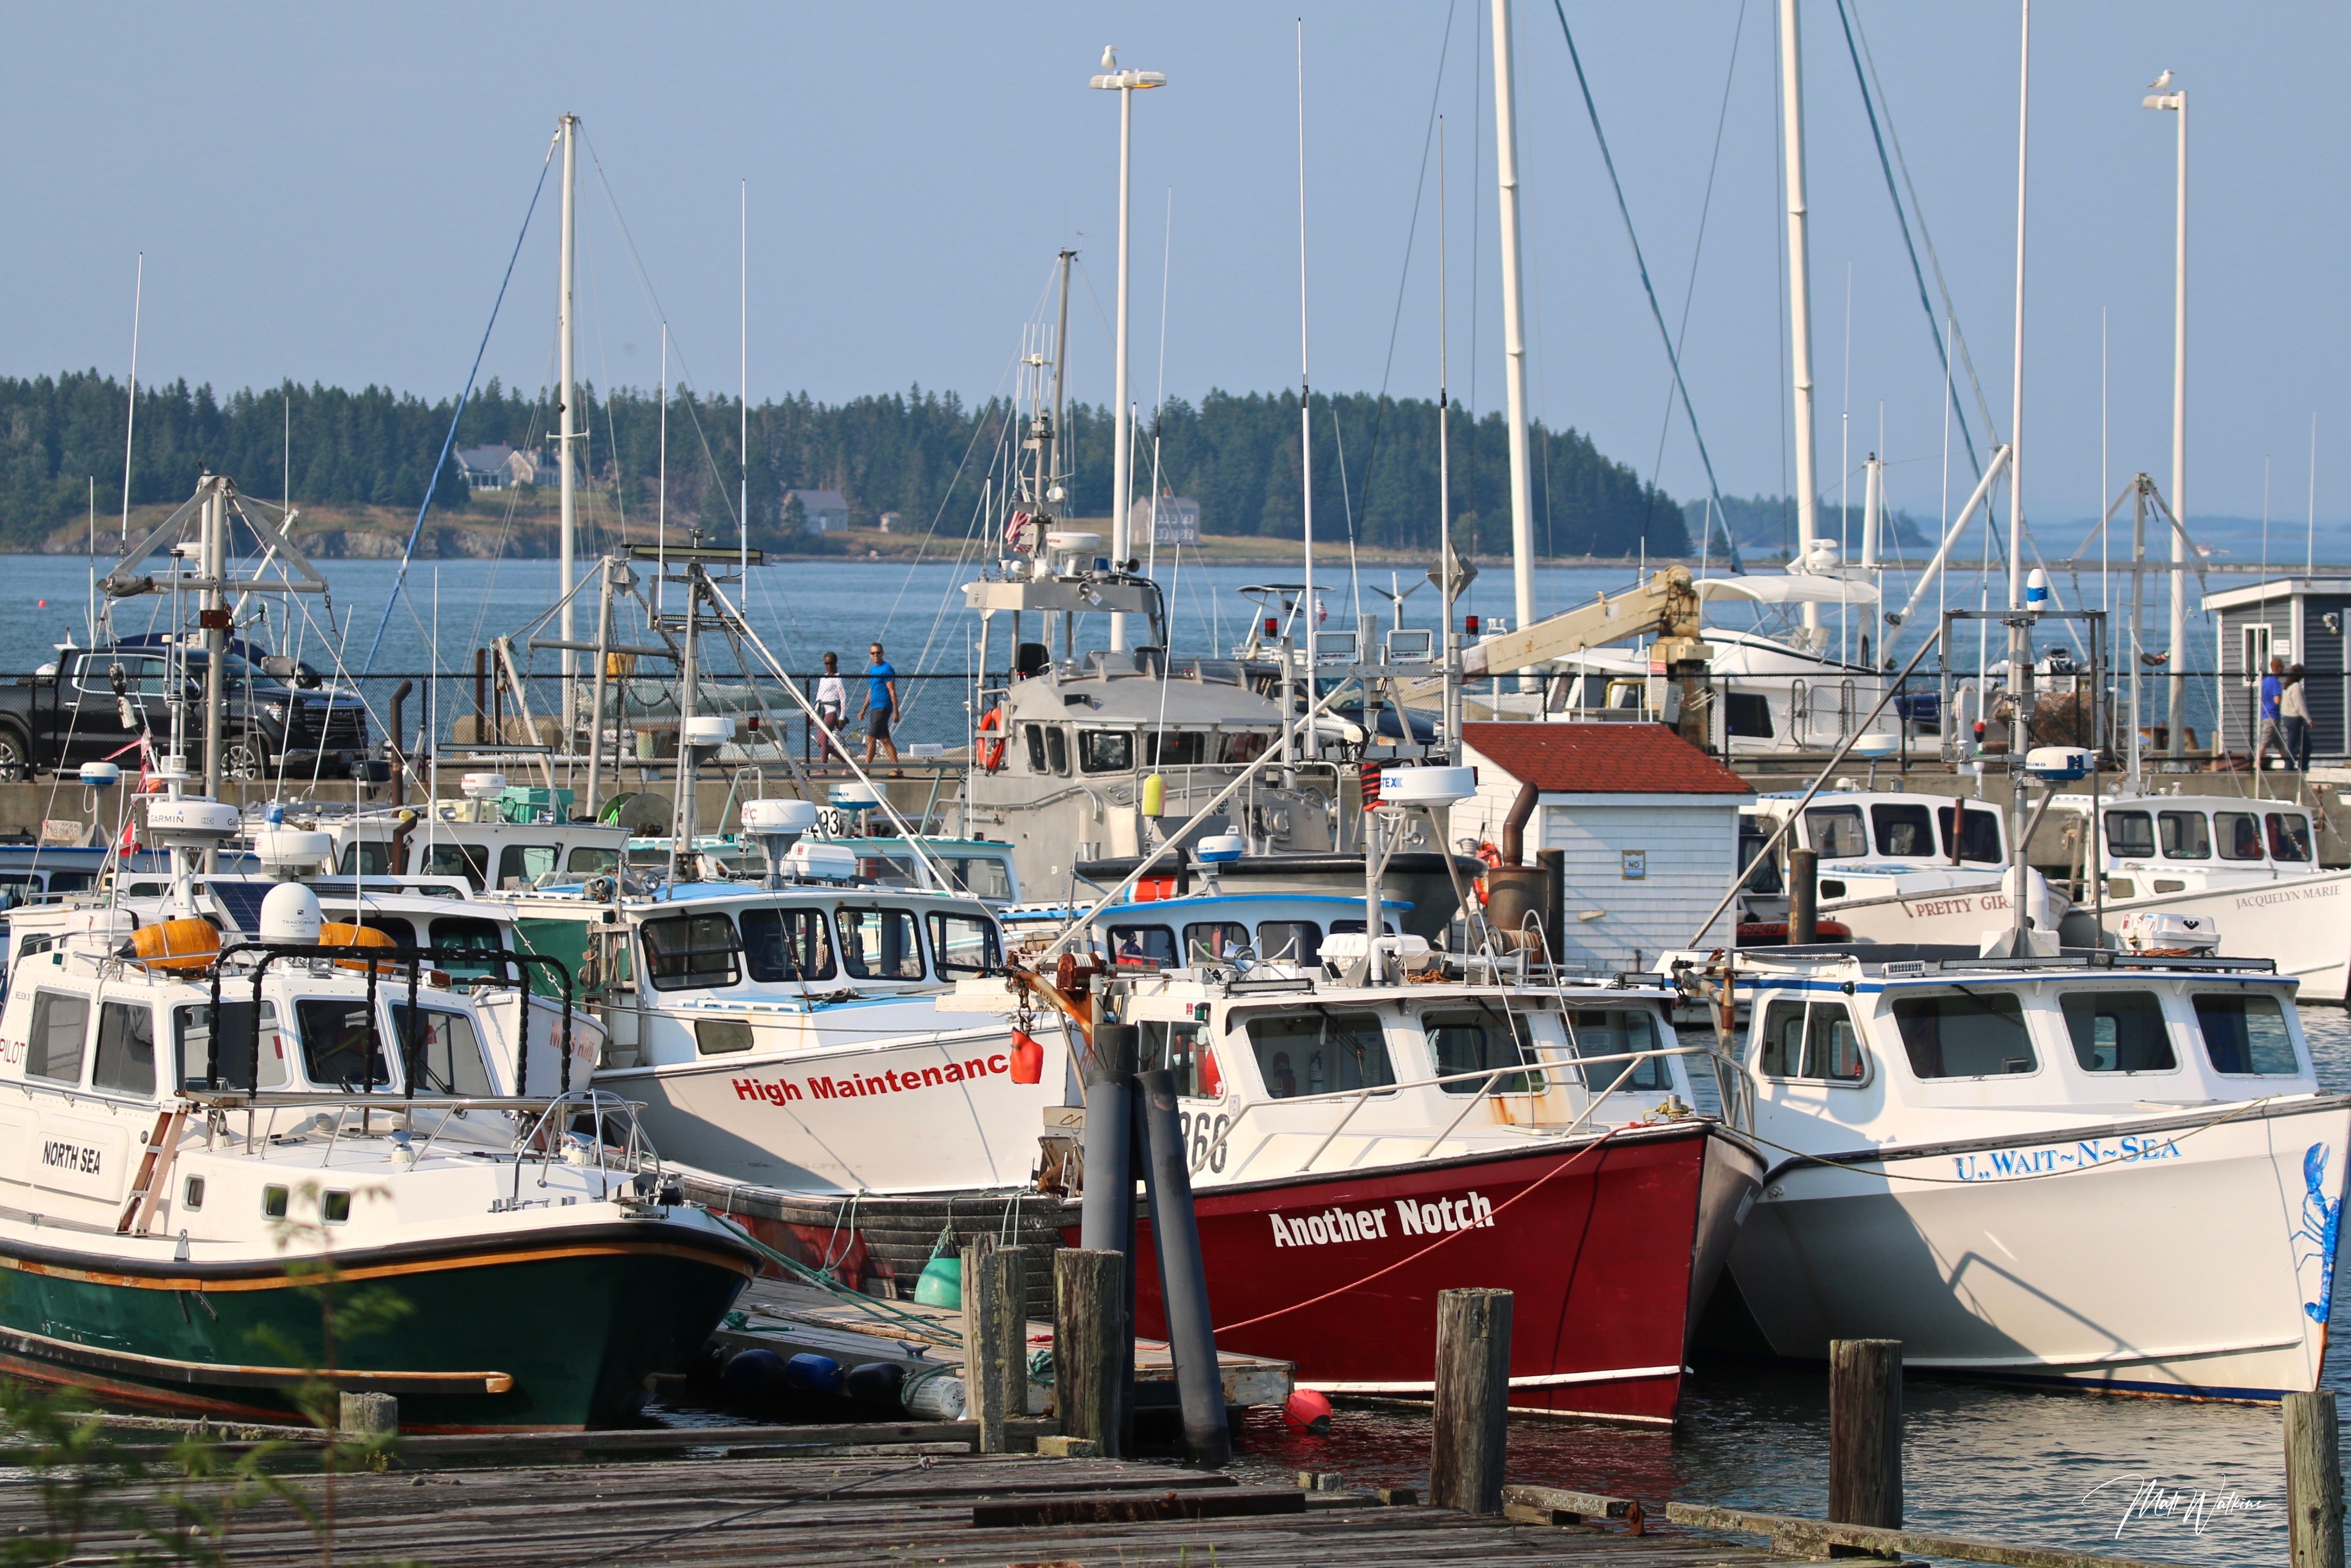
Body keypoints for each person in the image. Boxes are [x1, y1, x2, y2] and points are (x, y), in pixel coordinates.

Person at [860, 641, 901, 775]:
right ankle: (897, 769)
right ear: (870, 655)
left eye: (878, 653)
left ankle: (866, 769)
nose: (876, 655)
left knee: (871, 737)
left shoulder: (887, 669)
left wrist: (896, 711)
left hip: (883, 707)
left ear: (883, 653)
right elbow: (871, 690)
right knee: (885, 740)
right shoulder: (873, 670)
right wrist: (864, 709)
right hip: (874, 707)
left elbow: (892, 691)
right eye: (873, 653)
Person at [2254, 654, 2289, 772]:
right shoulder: (2275, 682)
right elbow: (2277, 700)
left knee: (2279, 743)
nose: (2283, 669)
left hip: (2265, 714)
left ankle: (2289, 765)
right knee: (2264, 741)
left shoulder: (2265, 681)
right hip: (2272, 716)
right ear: (2278, 668)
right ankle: (2256, 764)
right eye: (2282, 667)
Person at [812, 653, 848, 765]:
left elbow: (843, 697)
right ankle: (844, 761)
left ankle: (823, 767)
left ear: (836, 663)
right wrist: (813, 715)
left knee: (824, 738)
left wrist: (842, 716)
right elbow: (819, 697)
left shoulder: (837, 678)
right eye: (826, 664)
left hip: (832, 711)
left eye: (831, 663)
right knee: (820, 742)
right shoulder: (823, 678)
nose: (829, 666)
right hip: (822, 711)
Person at [2282, 662, 2313, 773]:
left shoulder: (2288, 686)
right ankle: (2289, 769)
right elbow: (2301, 706)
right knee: (2293, 746)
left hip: (2288, 718)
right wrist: (2310, 721)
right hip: (2295, 719)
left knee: (2306, 745)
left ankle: (2302, 768)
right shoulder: (2296, 687)